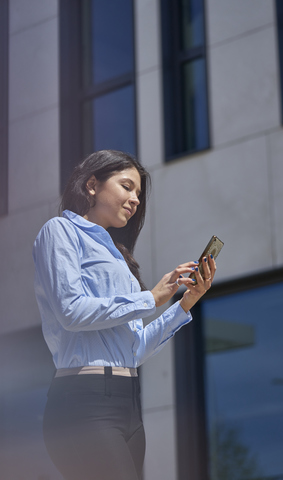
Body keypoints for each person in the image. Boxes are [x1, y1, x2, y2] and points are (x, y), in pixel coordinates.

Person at [33, 150, 216, 480]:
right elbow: (70, 312)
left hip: (128, 404)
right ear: (92, 184)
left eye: (138, 194)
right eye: (127, 186)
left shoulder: (119, 256)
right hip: (83, 401)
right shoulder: (59, 231)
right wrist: (150, 299)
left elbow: (133, 350)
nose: (134, 200)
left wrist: (183, 304)